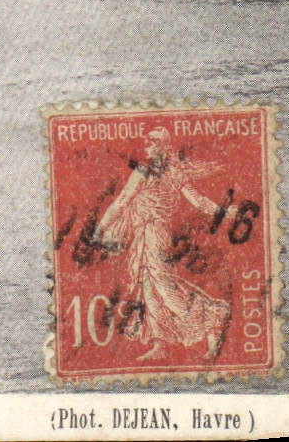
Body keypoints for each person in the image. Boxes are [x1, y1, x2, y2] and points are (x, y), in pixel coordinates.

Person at [90, 128, 237, 361]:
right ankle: (160, 344)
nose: (147, 144)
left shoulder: (154, 172)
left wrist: (223, 212)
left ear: (163, 147)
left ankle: (212, 320)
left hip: (155, 234)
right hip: (145, 234)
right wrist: (99, 230)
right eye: (147, 141)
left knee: (165, 289)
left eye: (153, 141)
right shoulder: (150, 171)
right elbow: (122, 202)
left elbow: (196, 201)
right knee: (149, 290)